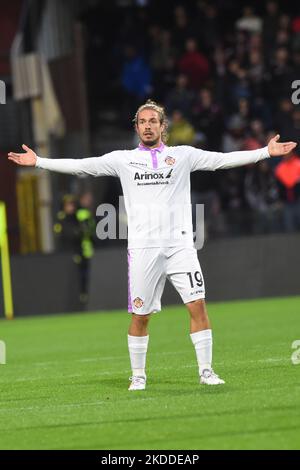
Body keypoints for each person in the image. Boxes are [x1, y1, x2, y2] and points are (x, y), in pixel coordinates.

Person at [8, 100, 297, 391]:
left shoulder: (183, 156)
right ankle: (138, 375)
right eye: (143, 122)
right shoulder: (123, 159)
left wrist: (264, 152)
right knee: (140, 316)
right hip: (144, 250)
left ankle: (207, 371)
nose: (148, 126)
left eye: (153, 121)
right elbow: (83, 167)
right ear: (137, 128)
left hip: (181, 246)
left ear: (162, 126)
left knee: (197, 305)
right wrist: (40, 162)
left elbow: (221, 159)